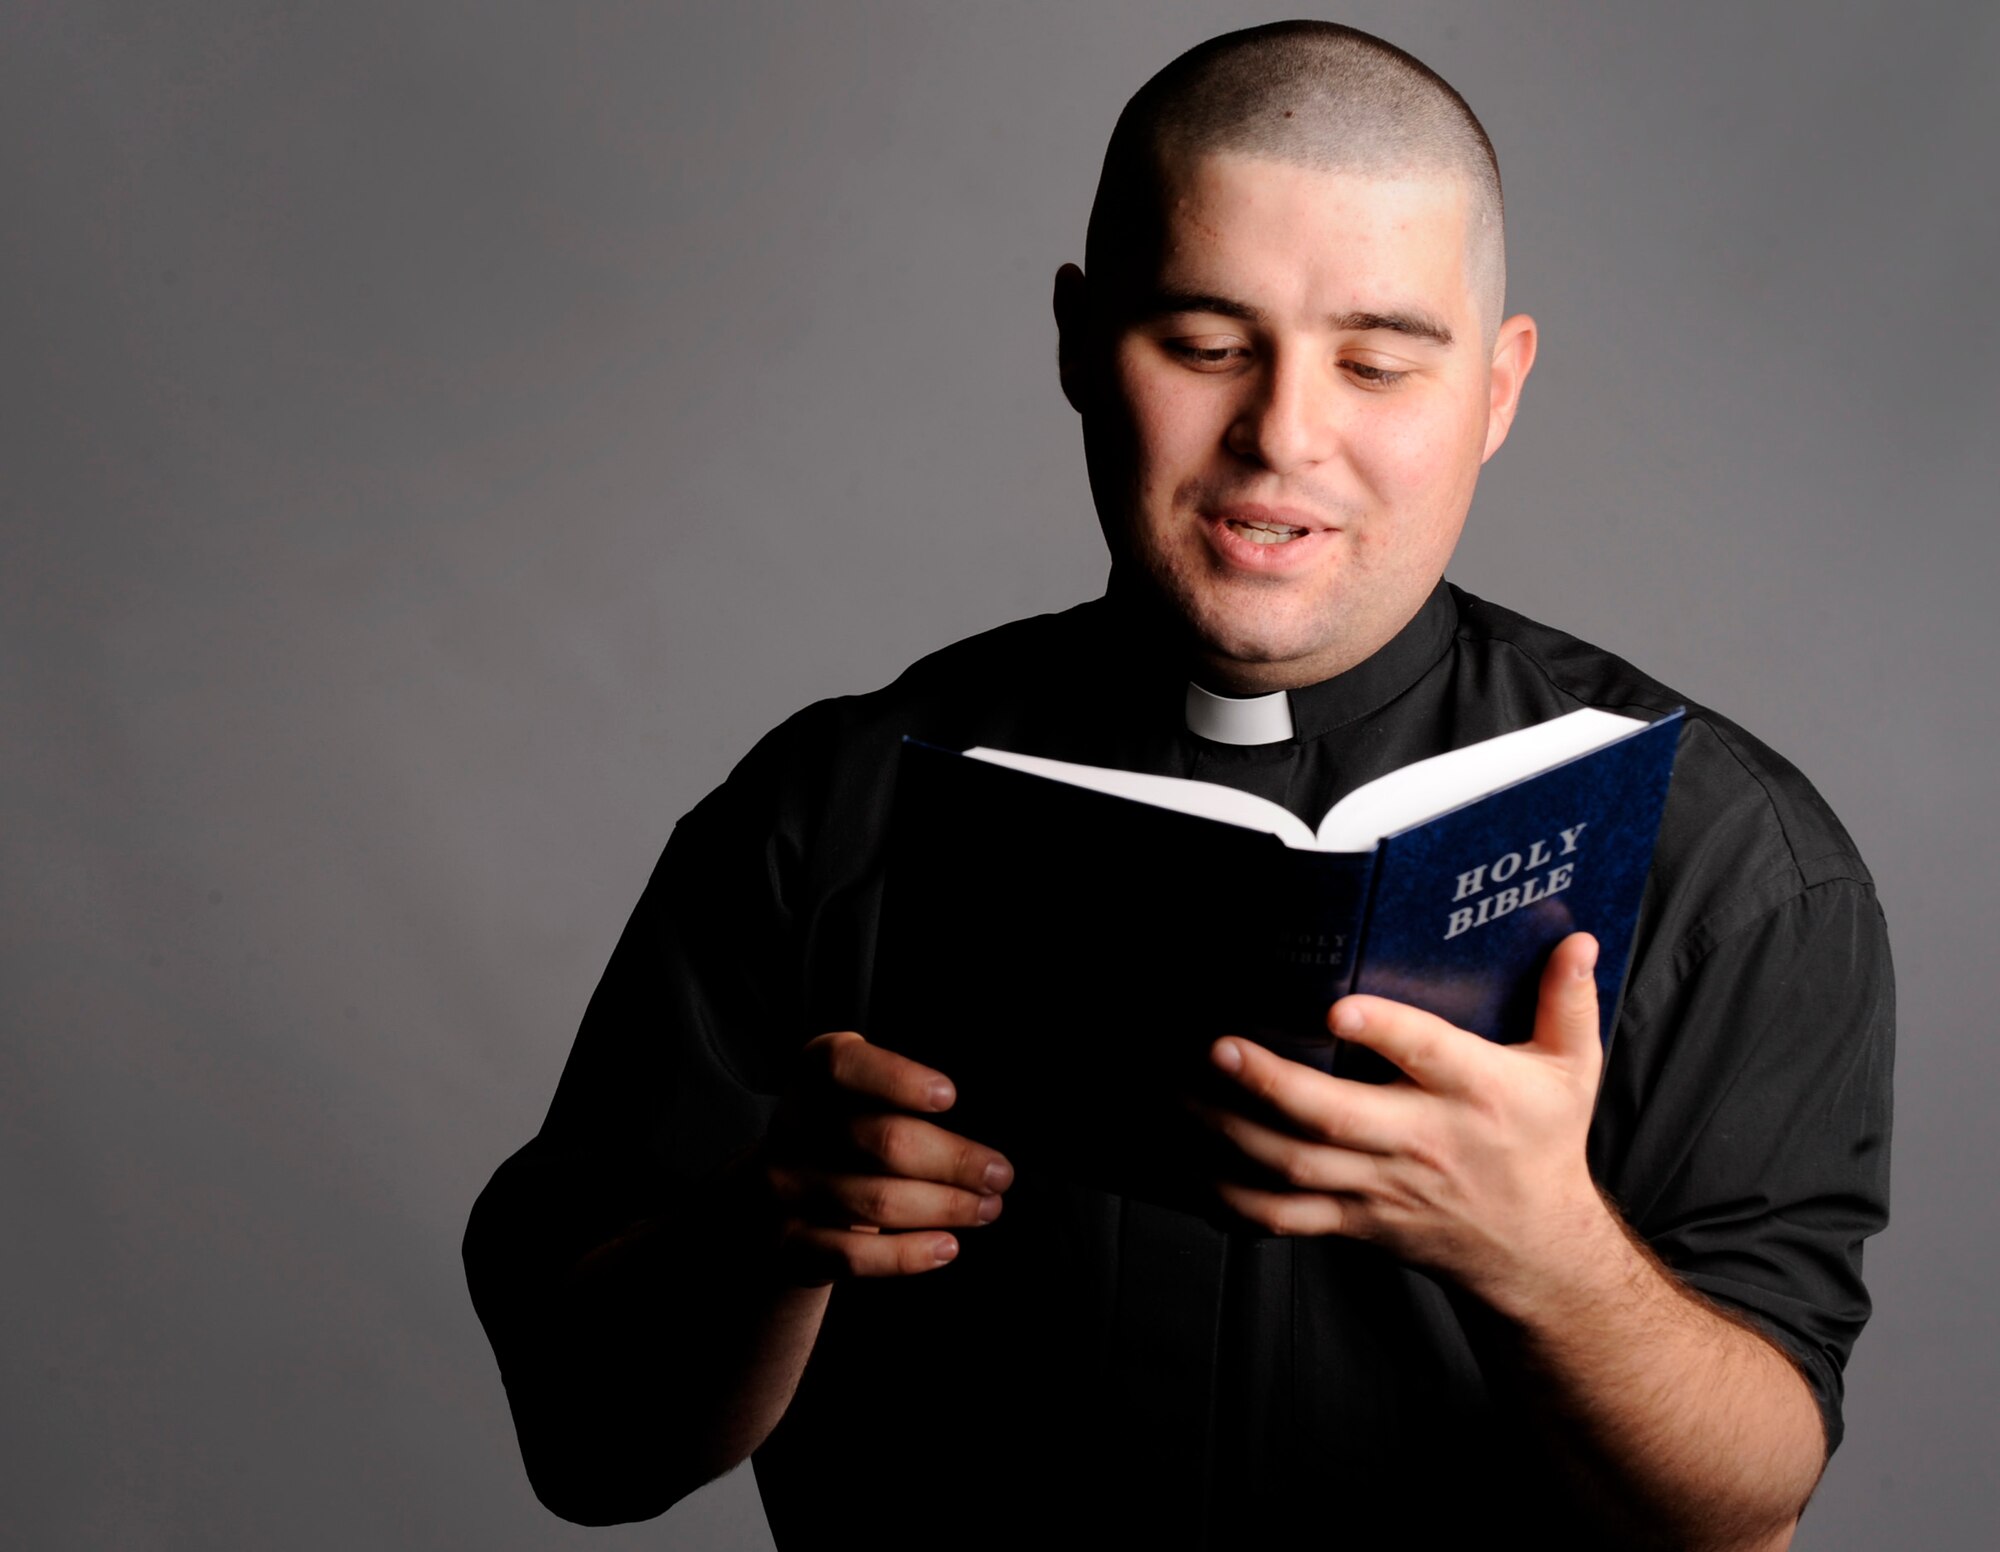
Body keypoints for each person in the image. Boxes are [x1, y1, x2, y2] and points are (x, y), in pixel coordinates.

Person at [464, 22, 1892, 1550]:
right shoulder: (826, 810)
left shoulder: (1726, 856)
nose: (1283, 435)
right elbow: (589, 1452)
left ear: (1496, 386)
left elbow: (1746, 1511)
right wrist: (766, 1230)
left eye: (1378, 361)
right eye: (1207, 344)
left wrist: (1545, 1253)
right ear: (1082, 342)